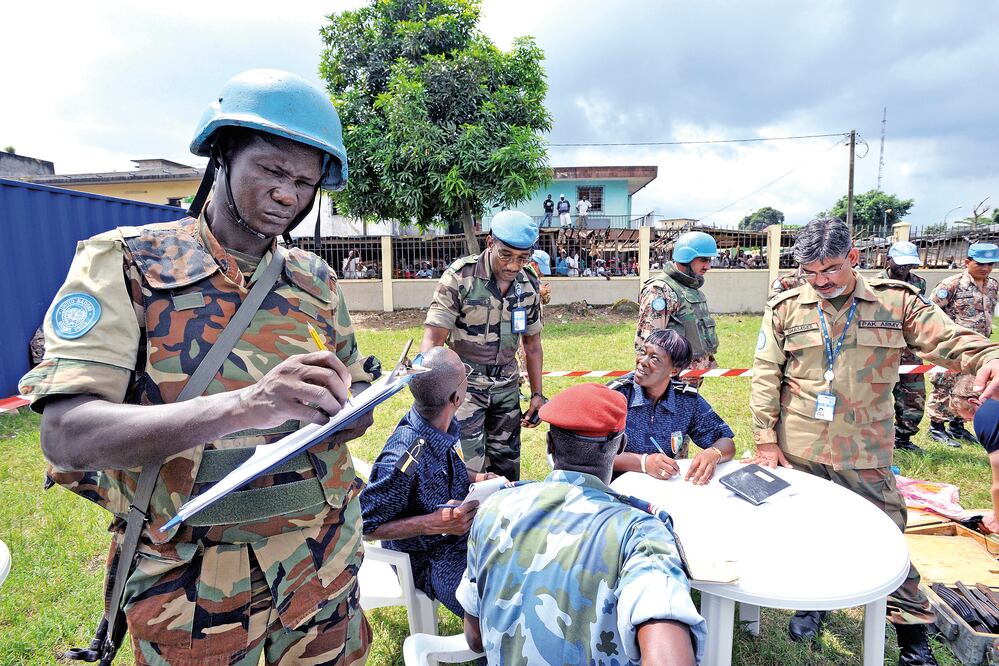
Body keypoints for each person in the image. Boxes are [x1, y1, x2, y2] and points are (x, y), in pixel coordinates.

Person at [19, 69, 379, 664]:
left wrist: (351, 408)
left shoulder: (315, 281)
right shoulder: (128, 263)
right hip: (195, 592)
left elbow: (351, 396)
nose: (288, 195)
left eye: (305, 182)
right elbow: (67, 437)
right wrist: (251, 404)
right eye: (271, 170)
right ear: (222, 154)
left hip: (322, 568)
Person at [749, 216, 999, 665]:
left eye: (830, 269)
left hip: (864, 450)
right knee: (810, 533)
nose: (820, 281)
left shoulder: (893, 302)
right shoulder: (786, 306)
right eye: (811, 271)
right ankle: (815, 603)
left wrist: (990, 355)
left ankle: (913, 638)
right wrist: (766, 439)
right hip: (800, 448)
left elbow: (948, 339)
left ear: (853, 257)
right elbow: (766, 373)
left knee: (889, 539)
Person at [457, 383, 706, 664]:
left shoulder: (494, 509)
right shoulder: (639, 534)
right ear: (621, 445)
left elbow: (475, 638)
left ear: (550, 445)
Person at [360, 347, 493, 617]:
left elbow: (445, 467)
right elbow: (364, 525)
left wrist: (477, 478)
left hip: (461, 536)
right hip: (429, 557)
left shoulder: (439, 424)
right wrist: (433, 523)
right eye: (464, 374)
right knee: (488, 611)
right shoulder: (404, 458)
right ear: (457, 397)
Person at [422, 210, 546, 481]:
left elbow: (532, 344)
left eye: (523, 258)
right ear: (490, 243)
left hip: (507, 390)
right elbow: (433, 341)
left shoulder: (529, 285)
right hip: (465, 389)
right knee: (467, 472)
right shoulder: (460, 278)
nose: (514, 266)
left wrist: (537, 394)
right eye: (506, 255)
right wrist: (431, 396)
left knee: (507, 472)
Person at [609, 329, 735, 483]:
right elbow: (587, 453)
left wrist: (713, 453)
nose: (642, 361)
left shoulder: (686, 400)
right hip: (613, 489)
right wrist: (643, 463)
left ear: (673, 370)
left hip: (662, 489)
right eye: (643, 352)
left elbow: (725, 440)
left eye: (654, 358)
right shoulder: (616, 396)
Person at [635, 231, 720, 460]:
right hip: (668, 383)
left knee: (680, 437)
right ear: (686, 257)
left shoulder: (689, 290)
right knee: (664, 442)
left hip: (687, 382)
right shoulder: (661, 290)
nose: (708, 266)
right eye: (704, 260)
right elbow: (648, 343)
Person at [928, 242, 999, 447]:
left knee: (968, 387)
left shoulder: (992, 285)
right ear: (967, 262)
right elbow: (931, 313)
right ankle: (937, 427)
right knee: (943, 386)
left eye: (990, 264)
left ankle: (958, 426)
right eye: (980, 264)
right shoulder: (950, 285)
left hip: (978, 348)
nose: (985, 268)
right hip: (953, 347)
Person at [880, 241, 928, 453]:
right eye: (900, 263)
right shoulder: (873, 284)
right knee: (873, 395)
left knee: (913, 395)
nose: (904, 268)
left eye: (909, 264)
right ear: (888, 260)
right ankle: (876, 438)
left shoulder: (919, 283)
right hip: (880, 348)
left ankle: (903, 438)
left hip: (908, 349)